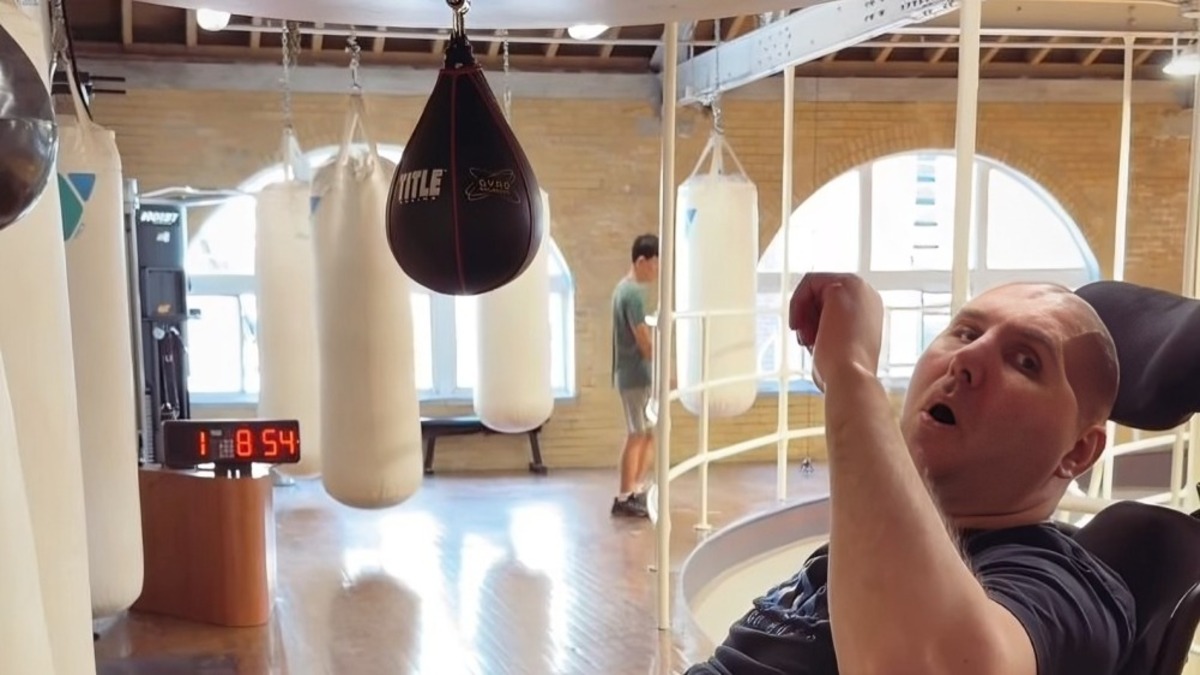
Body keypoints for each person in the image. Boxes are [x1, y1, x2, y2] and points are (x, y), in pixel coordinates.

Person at [687, 273, 1135, 675]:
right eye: (965, 332)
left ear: (1077, 452)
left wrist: (851, 373)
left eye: (1026, 361)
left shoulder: (1064, 587)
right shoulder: (876, 539)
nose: (967, 358)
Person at [610, 234, 660, 518]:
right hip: (634, 375)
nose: (656, 271)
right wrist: (665, 370)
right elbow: (643, 340)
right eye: (654, 265)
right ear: (641, 261)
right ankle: (625, 495)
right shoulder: (632, 294)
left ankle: (635, 490)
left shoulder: (624, 290)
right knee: (637, 433)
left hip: (637, 374)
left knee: (648, 434)